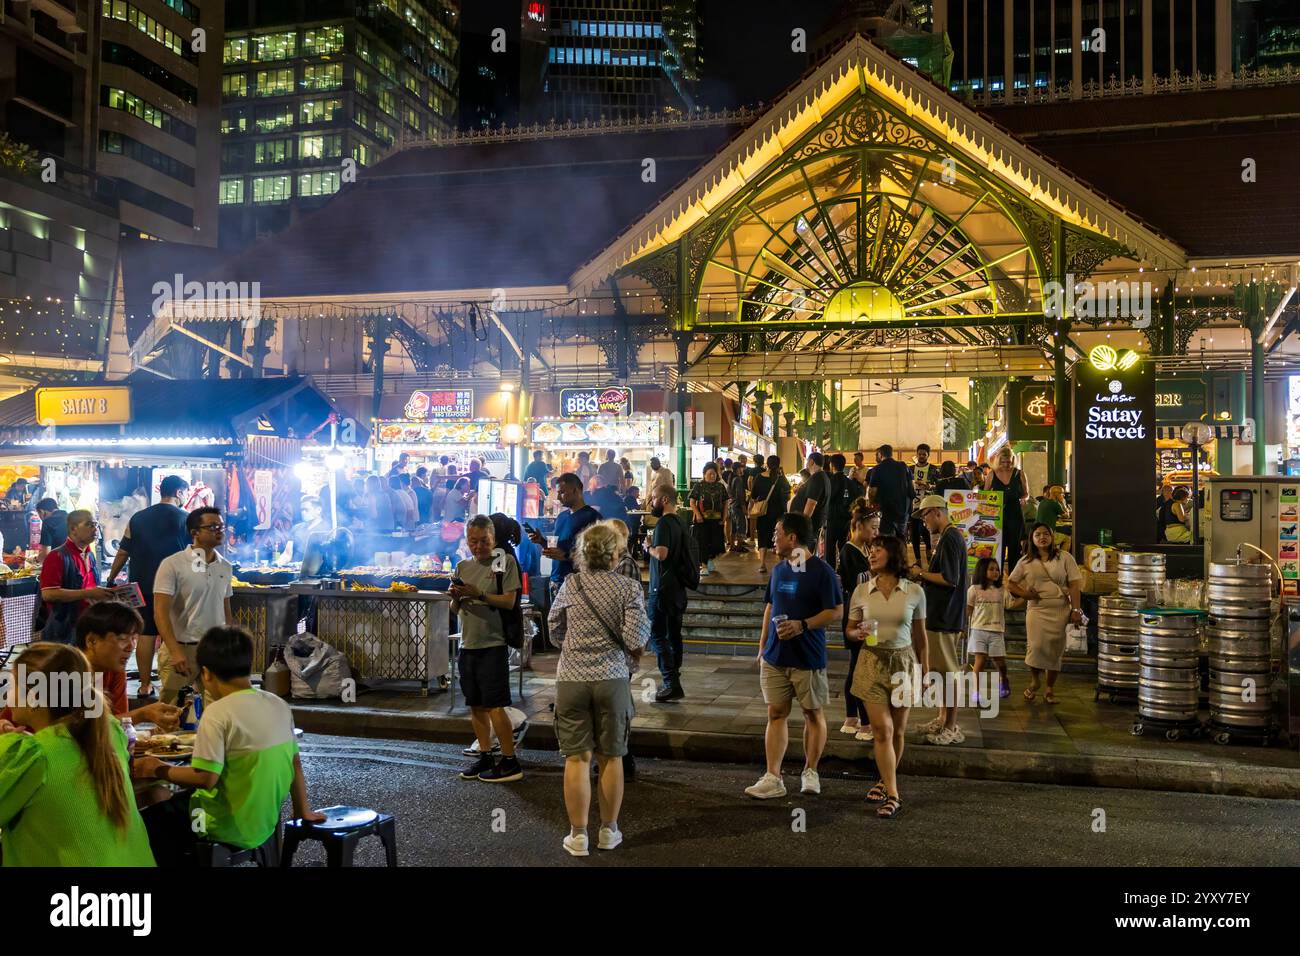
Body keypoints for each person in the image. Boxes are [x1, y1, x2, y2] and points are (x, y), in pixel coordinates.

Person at [133, 626, 325, 863]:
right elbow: (295, 763)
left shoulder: (217, 713)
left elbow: (206, 778)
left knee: (147, 823)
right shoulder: (278, 705)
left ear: (206, 674)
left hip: (217, 825)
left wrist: (157, 768)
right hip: (263, 824)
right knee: (167, 801)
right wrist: (302, 811)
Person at [0, 643, 155, 865]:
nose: (7, 693)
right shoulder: (110, 732)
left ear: (33, 697)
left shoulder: (30, 756)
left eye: (13, 684)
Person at [548, 522, 649, 856]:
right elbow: (636, 640)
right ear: (615, 553)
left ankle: (578, 836)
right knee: (611, 757)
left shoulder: (570, 584)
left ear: (582, 553)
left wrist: (573, 647)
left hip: (571, 679)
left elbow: (553, 628)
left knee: (576, 758)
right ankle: (608, 831)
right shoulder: (628, 588)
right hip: (612, 677)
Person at [746, 512, 842, 800]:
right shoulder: (779, 570)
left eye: (777, 532)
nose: (773, 537)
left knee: (813, 713)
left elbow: (836, 611)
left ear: (793, 537)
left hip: (808, 656)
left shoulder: (821, 572)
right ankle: (773, 776)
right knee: (776, 713)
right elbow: (770, 607)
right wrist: (763, 646)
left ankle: (810, 771)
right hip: (776, 657)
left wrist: (803, 625)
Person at [846, 535, 928, 820]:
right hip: (871, 661)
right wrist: (856, 634)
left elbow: (921, 638)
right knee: (883, 730)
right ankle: (894, 795)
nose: (871, 554)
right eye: (870, 550)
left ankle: (884, 781)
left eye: (877, 550)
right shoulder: (860, 591)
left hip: (904, 662)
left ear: (893, 555)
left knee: (899, 731)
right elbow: (850, 629)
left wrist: (925, 671)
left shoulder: (915, 591)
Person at [451, 515, 525, 783]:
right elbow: (455, 609)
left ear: (494, 539)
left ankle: (509, 760)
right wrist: (457, 597)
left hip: (493, 643)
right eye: (473, 541)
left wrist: (479, 594)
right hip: (468, 642)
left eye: (484, 541)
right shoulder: (462, 565)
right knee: (476, 706)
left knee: (496, 705)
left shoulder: (502, 561)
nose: (479, 546)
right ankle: (485, 755)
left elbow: (509, 601)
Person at [106, 475, 192, 700]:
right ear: (180, 492)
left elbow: (123, 552)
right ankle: (172, 684)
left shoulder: (138, 518)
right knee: (173, 633)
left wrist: (111, 578)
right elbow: (195, 555)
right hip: (175, 586)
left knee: (146, 634)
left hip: (140, 585)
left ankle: (144, 686)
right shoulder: (187, 519)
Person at [152, 507, 234, 708]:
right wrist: (175, 650)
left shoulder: (224, 566)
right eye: (213, 526)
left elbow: (226, 609)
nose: (219, 531)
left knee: (216, 712)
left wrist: (230, 643)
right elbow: (160, 612)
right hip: (182, 648)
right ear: (194, 532)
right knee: (170, 711)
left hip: (214, 649)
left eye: (221, 526)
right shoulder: (173, 564)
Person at [908, 494, 968, 746]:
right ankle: (943, 718)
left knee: (949, 673)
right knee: (940, 672)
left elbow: (949, 578)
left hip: (946, 615)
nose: (924, 522)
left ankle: (951, 725)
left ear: (936, 512)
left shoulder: (951, 537)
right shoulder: (947, 537)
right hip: (939, 614)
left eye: (924, 516)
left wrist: (921, 573)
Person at [1007, 522, 1083, 705]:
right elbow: (1011, 583)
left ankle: (1049, 687)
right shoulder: (1025, 561)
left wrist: (1076, 609)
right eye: (1038, 534)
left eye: (1046, 534)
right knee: (1036, 646)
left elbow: (1074, 585)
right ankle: (1035, 680)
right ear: (1032, 539)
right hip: (1036, 609)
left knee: (1055, 650)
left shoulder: (1065, 558)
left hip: (1060, 609)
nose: (1042, 537)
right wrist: (1025, 594)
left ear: (1052, 537)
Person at [75, 601, 181, 728]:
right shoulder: (60, 670)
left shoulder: (114, 669)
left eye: (134, 639)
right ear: (92, 641)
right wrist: (143, 714)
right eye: (123, 639)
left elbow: (118, 724)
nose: (131, 647)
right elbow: (74, 730)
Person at [39, 509, 112, 645]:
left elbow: (90, 587)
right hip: (65, 629)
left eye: (96, 525)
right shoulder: (57, 556)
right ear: (73, 528)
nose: (95, 529)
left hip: (89, 624)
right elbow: (48, 594)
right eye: (90, 525)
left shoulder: (90, 555)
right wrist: (88, 593)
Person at [526, 473, 600, 600]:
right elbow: (558, 546)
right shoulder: (561, 517)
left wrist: (567, 556)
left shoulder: (592, 517)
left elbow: (596, 555)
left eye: (562, 492)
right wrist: (542, 541)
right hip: (555, 580)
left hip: (577, 583)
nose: (559, 497)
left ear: (575, 490)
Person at [647, 486, 690, 701]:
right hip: (677, 588)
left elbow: (662, 554)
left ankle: (670, 682)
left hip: (661, 589)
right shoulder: (681, 522)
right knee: (674, 634)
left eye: (654, 498)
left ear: (664, 499)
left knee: (658, 635)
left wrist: (649, 548)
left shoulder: (663, 523)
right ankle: (675, 677)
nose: (651, 503)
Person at [837, 510, 876, 741]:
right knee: (860, 667)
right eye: (873, 527)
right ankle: (864, 720)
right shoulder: (848, 550)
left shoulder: (865, 549)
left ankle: (852, 717)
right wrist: (876, 571)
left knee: (858, 665)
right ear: (859, 526)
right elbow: (856, 582)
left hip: (867, 613)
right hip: (857, 614)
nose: (875, 532)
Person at [966, 557, 1014, 702]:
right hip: (978, 629)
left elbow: (1010, 604)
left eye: (997, 569)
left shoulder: (1002, 589)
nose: (995, 572)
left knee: (999, 662)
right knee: (979, 661)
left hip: (996, 630)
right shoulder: (973, 589)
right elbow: (968, 609)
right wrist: (961, 627)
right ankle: (976, 691)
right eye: (991, 569)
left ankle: (1003, 679)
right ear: (982, 570)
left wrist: (1028, 597)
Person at [985, 447, 1029, 572]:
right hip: (996, 514)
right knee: (998, 546)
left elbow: (1026, 493)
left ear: (1013, 460)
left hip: (1015, 514)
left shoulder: (1019, 473)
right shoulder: (992, 474)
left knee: (1015, 548)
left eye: (1008, 462)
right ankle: (995, 577)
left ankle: (1014, 578)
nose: (1006, 465)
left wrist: (1024, 499)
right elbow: (985, 494)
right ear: (998, 461)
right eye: (1003, 462)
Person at [751, 455, 789, 574]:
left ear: (766, 464)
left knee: (762, 536)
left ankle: (762, 564)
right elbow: (787, 495)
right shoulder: (781, 479)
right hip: (778, 513)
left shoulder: (759, 477)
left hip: (763, 513)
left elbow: (753, 495)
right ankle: (782, 564)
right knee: (779, 537)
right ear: (778, 465)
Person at [825, 453, 862, 572]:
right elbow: (856, 499)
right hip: (846, 520)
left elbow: (828, 499)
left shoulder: (830, 481)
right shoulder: (850, 482)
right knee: (843, 545)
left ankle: (831, 571)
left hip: (832, 519)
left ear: (832, 465)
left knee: (829, 547)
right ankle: (843, 570)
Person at [867, 445, 913, 537]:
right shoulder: (903, 466)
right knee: (901, 540)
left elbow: (872, 491)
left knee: (887, 541)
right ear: (891, 453)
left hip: (885, 512)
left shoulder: (877, 469)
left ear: (880, 454)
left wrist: (871, 505)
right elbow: (912, 487)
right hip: (902, 511)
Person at [907, 444, 939, 564]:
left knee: (927, 531)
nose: (921, 456)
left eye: (924, 454)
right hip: (913, 505)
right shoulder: (910, 469)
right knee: (914, 533)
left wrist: (928, 485)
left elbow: (938, 486)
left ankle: (929, 554)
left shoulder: (933, 469)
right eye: (919, 454)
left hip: (928, 506)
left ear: (928, 455)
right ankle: (918, 560)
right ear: (917, 454)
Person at [798, 452, 830, 557]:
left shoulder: (817, 478)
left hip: (810, 526)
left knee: (803, 557)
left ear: (811, 462)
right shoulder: (823, 477)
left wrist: (802, 523)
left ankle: (801, 573)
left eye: (807, 461)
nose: (807, 464)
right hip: (816, 524)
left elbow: (811, 503)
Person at [287, 496, 328, 562]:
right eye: (302, 510)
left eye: (306, 510)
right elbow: (287, 554)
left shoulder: (327, 530)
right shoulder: (296, 528)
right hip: (294, 569)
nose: (303, 513)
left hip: (315, 570)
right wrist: (277, 563)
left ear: (318, 510)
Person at [727, 459, 749, 553]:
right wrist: (744, 506)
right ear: (738, 469)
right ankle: (739, 546)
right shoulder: (738, 479)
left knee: (734, 526)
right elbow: (740, 494)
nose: (743, 470)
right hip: (738, 506)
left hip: (732, 505)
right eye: (741, 468)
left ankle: (732, 545)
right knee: (741, 526)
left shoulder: (731, 478)